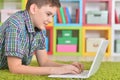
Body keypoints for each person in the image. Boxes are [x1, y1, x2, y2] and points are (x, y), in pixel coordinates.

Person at [0, 0, 84, 75]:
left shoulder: (40, 27)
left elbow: (44, 62)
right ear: (33, 9)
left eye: (52, 16)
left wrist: (67, 67)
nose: (51, 20)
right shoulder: (16, 25)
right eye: (48, 14)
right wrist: (54, 70)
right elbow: (15, 68)